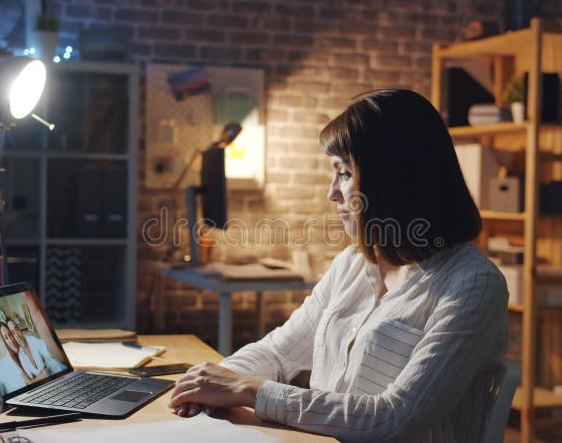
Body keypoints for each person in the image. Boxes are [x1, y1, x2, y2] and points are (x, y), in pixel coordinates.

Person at [168, 89, 510, 442]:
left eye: (344, 173)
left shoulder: (473, 285)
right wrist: (210, 384)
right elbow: (278, 351)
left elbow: (394, 418)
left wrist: (249, 391)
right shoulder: (353, 263)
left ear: (394, 180)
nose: (332, 193)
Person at [0, 321, 29, 395]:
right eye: (6, 338)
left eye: (10, 334)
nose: (10, 340)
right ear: (5, 341)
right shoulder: (11, 359)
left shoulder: (24, 346)